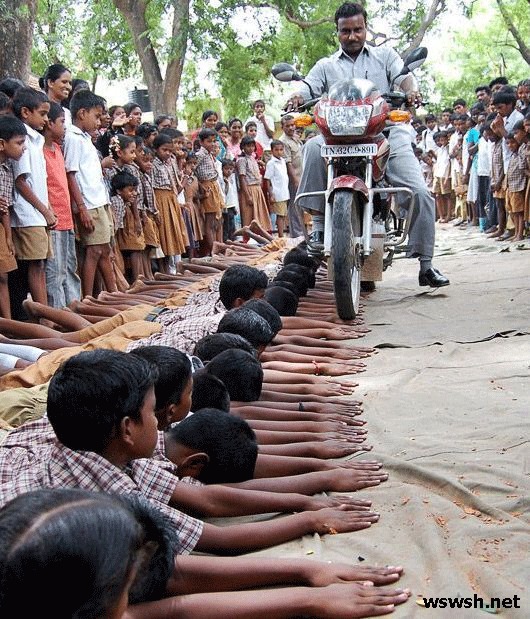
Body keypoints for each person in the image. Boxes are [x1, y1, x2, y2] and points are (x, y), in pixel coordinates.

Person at [290, 2, 449, 287]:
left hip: (385, 133)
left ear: (366, 29)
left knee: (419, 191)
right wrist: (295, 97)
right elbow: (307, 87)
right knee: (312, 146)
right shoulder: (326, 65)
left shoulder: (385, 56)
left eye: (358, 29)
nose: (352, 36)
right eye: (346, 31)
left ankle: (426, 263)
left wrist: (412, 93)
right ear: (337, 32)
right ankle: (319, 226)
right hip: (336, 137)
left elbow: (404, 78)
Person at [64, 89, 117, 296]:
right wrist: (82, 208)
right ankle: (87, 297)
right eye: (96, 116)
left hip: (99, 200)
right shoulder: (73, 138)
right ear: (82, 113)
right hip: (89, 203)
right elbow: (71, 174)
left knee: (104, 250)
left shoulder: (86, 138)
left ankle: (111, 292)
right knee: (94, 251)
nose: (99, 122)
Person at [11, 87, 55, 305]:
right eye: (43, 113)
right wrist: (44, 210)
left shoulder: (35, 140)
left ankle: (44, 311)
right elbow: (20, 181)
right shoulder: (22, 141)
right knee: (35, 266)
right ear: (26, 112)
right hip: (28, 214)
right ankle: (43, 315)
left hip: (38, 213)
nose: (46, 119)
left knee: (41, 264)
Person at [43, 102, 81, 308]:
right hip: (54, 219)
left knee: (69, 268)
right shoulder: (39, 150)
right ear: (49, 123)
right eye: (62, 122)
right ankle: (58, 313)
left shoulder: (57, 148)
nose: (65, 127)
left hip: (66, 218)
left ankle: (75, 307)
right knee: (55, 272)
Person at [0, 116, 26, 319]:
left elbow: (5, 206)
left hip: (1, 228)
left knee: (3, 276)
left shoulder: (7, 169)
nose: (23, 148)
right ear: (2, 144)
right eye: (19, 143)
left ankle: (8, 323)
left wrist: (8, 236)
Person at [236, 136, 272, 232]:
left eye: (252, 146)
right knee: (249, 215)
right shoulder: (241, 160)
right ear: (243, 147)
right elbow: (242, 178)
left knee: (259, 214)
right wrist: (247, 196)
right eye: (248, 146)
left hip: (257, 189)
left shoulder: (253, 159)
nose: (250, 148)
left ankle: (258, 235)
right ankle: (247, 237)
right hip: (249, 189)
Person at [279, 115, 306, 237]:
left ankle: (302, 232)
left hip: (301, 176)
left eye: (292, 125)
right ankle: (297, 234)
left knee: (300, 205)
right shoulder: (283, 141)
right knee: (294, 207)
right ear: (282, 127)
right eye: (288, 126)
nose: (291, 128)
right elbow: (288, 162)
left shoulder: (295, 138)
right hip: (292, 179)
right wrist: (295, 179)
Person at [265, 140, 290, 237]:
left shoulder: (283, 161)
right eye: (276, 150)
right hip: (277, 193)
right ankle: (280, 236)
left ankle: (281, 234)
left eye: (281, 150)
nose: (279, 152)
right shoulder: (271, 163)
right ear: (272, 151)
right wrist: (271, 194)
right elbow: (268, 179)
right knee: (279, 215)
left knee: (283, 215)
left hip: (284, 192)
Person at [504, 132, 527, 241]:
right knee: (513, 211)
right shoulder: (513, 155)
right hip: (511, 186)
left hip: (518, 186)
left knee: (519, 212)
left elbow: (522, 168)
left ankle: (520, 234)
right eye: (508, 143)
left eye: (512, 143)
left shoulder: (520, 154)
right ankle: (516, 232)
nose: (510, 145)